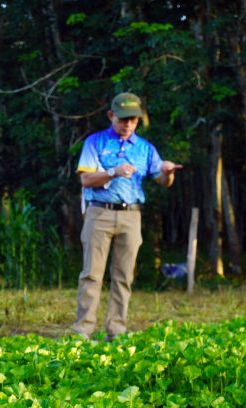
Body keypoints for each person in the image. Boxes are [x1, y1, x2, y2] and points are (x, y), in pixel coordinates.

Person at [72, 92, 182, 340]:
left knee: (124, 276)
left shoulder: (145, 149)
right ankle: (83, 330)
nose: (127, 124)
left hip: (131, 216)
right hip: (99, 212)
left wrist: (168, 171)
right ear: (111, 116)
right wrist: (113, 172)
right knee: (91, 273)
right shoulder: (95, 142)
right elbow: (86, 179)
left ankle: (116, 330)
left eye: (133, 120)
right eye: (123, 119)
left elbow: (163, 181)